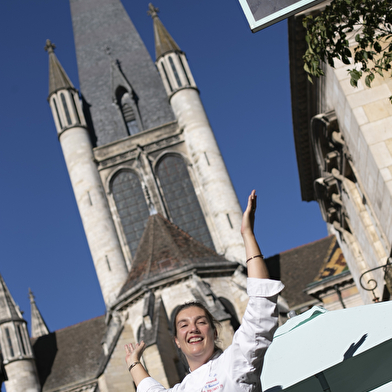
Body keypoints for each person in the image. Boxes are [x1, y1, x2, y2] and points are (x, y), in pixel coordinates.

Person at [125, 190, 284, 392]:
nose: (193, 328)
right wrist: (133, 363)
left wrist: (248, 236)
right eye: (183, 325)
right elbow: (150, 390)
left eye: (201, 322)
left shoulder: (234, 362)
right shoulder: (182, 389)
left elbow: (261, 305)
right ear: (177, 342)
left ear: (215, 332)